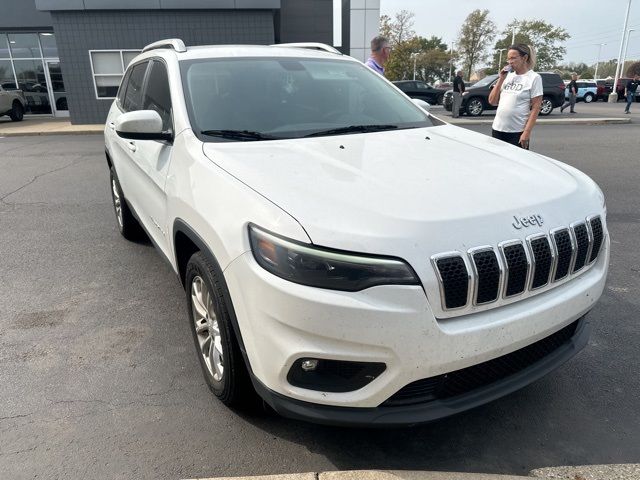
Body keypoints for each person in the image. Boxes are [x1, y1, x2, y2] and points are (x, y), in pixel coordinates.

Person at [488, 44, 542, 150]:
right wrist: (501, 79)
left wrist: (526, 133)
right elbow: (492, 101)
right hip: (498, 129)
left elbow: (536, 107)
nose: (510, 61)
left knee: (515, 165)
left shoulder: (534, 78)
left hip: (517, 132)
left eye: (513, 58)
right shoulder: (508, 76)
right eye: (508, 59)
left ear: (524, 58)